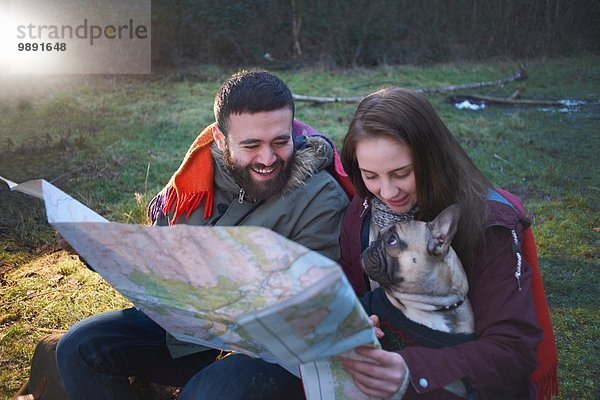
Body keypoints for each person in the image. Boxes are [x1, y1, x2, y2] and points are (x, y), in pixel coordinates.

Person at [55, 69, 350, 400]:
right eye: (251, 144)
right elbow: (156, 265)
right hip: (189, 337)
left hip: (271, 353)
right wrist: (99, 252)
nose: (268, 159)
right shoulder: (194, 180)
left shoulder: (320, 196)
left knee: (204, 393)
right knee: (79, 348)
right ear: (220, 140)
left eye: (280, 142)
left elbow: (314, 303)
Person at [338, 87, 544, 399]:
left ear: (431, 158)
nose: (388, 191)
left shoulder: (488, 225)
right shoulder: (361, 211)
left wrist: (411, 369)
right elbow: (354, 293)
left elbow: (512, 351)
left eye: (402, 173)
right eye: (370, 175)